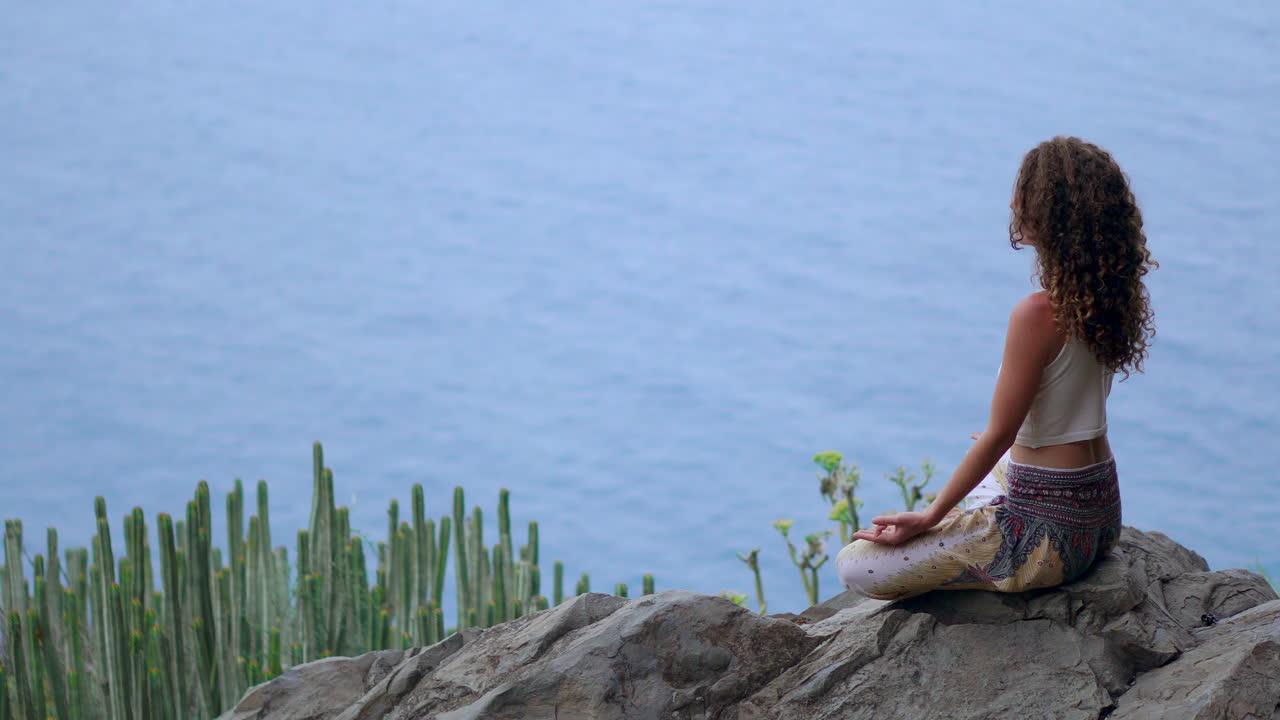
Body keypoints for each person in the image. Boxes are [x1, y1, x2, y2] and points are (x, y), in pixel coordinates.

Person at [834, 136, 1158, 601]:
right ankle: (983, 507)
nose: (1012, 202)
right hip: (1100, 516)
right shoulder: (1110, 296)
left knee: (855, 569)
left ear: (1053, 213)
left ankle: (974, 526)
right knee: (992, 464)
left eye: (1025, 192)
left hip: (1045, 537)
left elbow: (999, 434)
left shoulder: (1036, 314)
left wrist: (928, 517)